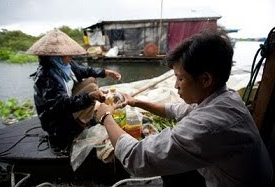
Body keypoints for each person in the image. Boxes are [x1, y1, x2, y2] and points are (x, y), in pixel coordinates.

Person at [96, 30, 273, 186]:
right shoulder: (225, 98)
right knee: (172, 171)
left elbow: (137, 158)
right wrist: (137, 102)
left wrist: (106, 117)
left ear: (205, 80)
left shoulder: (209, 125)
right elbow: (175, 110)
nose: (175, 86)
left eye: (180, 78)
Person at [27, 29, 121, 151]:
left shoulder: (64, 65)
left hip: (65, 105)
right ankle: (79, 126)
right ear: (57, 56)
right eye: (69, 54)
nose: (71, 57)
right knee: (92, 89)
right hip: (56, 122)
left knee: (91, 80)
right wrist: (90, 96)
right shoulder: (46, 77)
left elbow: (84, 71)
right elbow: (62, 105)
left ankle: (83, 118)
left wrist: (105, 72)